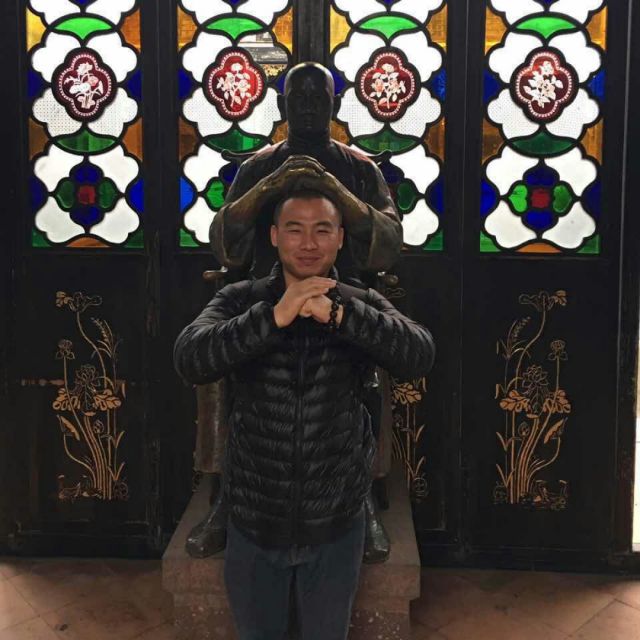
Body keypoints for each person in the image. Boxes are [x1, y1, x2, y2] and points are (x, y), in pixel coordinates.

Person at [174, 190, 434, 640]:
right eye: (295, 230)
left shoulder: (358, 300)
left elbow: (418, 354)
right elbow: (190, 358)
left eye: (322, 230)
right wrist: (273, 317)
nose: (308, 243)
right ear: (275, 236)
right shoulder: (241, 299)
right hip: (255, 521)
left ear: (340, 238)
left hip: (334, 526)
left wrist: (340, 316)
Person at [186, 61, 403, 562]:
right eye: (297, 98)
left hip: (341, 298)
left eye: (317, 98)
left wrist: (335, 190)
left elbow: (389, 245)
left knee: (368, 377)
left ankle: (363, 498)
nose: (307, 107)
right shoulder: (258, 167)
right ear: (282, 105)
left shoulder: (359, 169)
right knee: (220, 380)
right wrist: (269, 186)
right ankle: (226, 498)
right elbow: (225, 245)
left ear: (334, 104)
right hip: (268, 299)